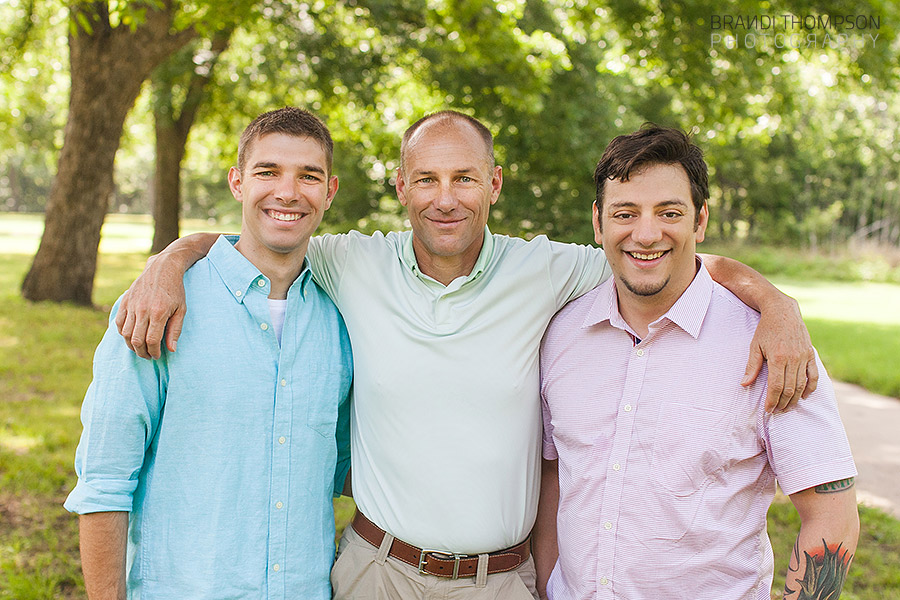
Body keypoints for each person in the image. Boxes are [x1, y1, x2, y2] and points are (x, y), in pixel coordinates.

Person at [114, 111, 819, 600]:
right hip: (375, 573)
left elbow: (660, 249)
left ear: (494, 184)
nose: (445, 198)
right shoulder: (351, 262)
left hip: (501, 581)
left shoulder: (547, 270)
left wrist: (774, 303)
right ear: (401, 187)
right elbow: (258, 234)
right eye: (426, 179)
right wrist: (170, 261)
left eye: (464, 179)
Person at [534, 125, 859, 600]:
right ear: (598, 222)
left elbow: (832, 515)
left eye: (669, 212)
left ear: (699, 220)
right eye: (625, 213)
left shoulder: (772, 346)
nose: (646, 234)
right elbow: (555, 477)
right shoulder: (561, 333)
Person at [64, 107, 353, 599]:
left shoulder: (343, 317)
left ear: (330, 191)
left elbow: (343, 469)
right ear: (237, 182)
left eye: (309, 175)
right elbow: (104, 485)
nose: (288, 192)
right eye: (268, 171)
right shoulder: (155, 307)